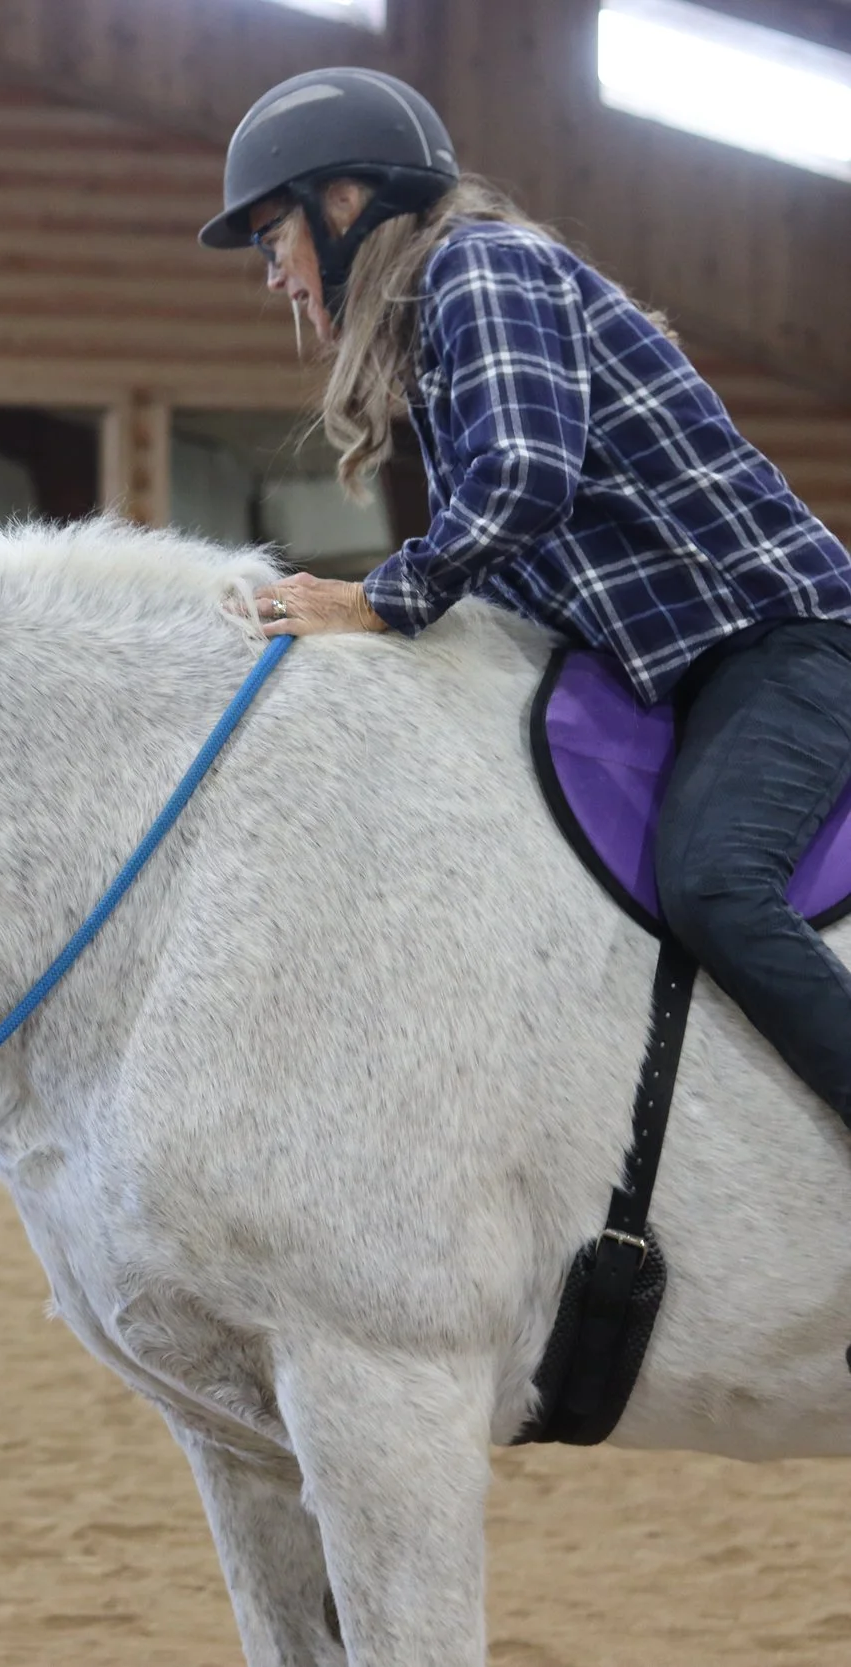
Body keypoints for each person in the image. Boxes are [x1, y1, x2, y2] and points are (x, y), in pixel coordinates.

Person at [201, 67, 851, 1125]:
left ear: (346, 205)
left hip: (785, 644)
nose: (275, 276)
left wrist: (379, 601)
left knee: (713, 883)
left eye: (273, 237)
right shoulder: (444, 317)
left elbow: (522, 479)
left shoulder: (478, 267)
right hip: (685, 665)